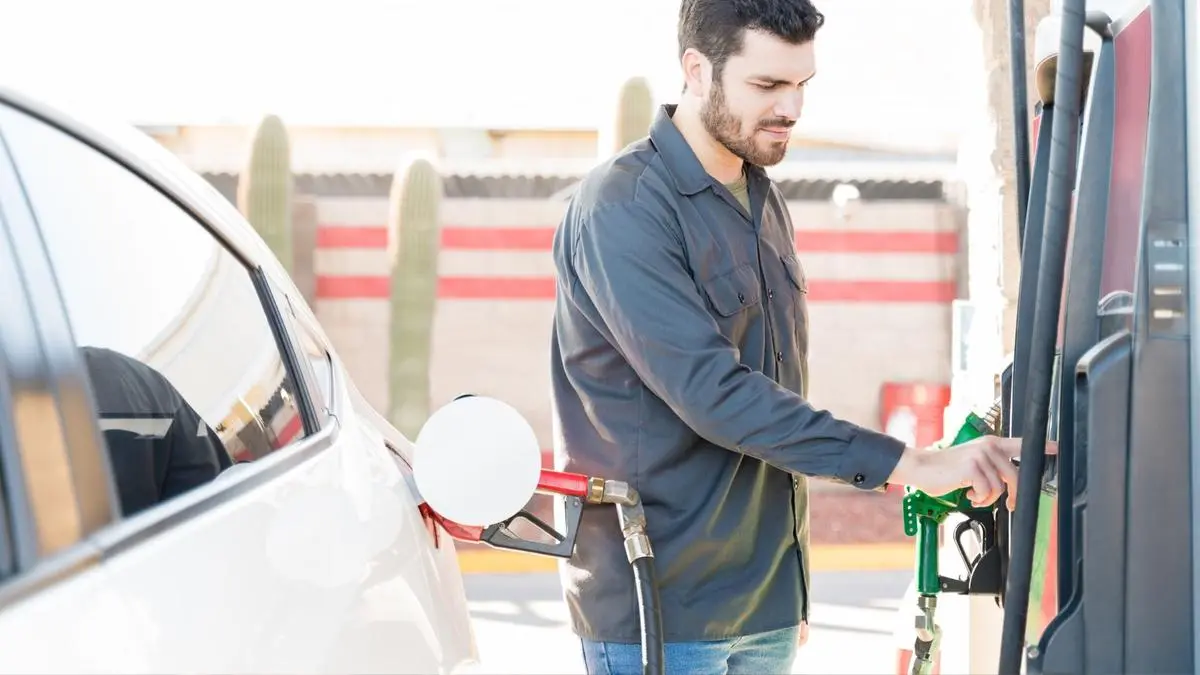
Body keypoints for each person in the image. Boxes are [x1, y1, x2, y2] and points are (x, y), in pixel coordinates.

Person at [548, 1, 1049, 673]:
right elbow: (715, 394)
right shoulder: (623, 207)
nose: (791, 108)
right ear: (697, 70)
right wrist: (915, 466)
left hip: (766, 605)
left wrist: (793, 580)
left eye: (801, 84)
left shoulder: (762, 198)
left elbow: (779, 391)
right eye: (767, 85)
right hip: (658, 610)